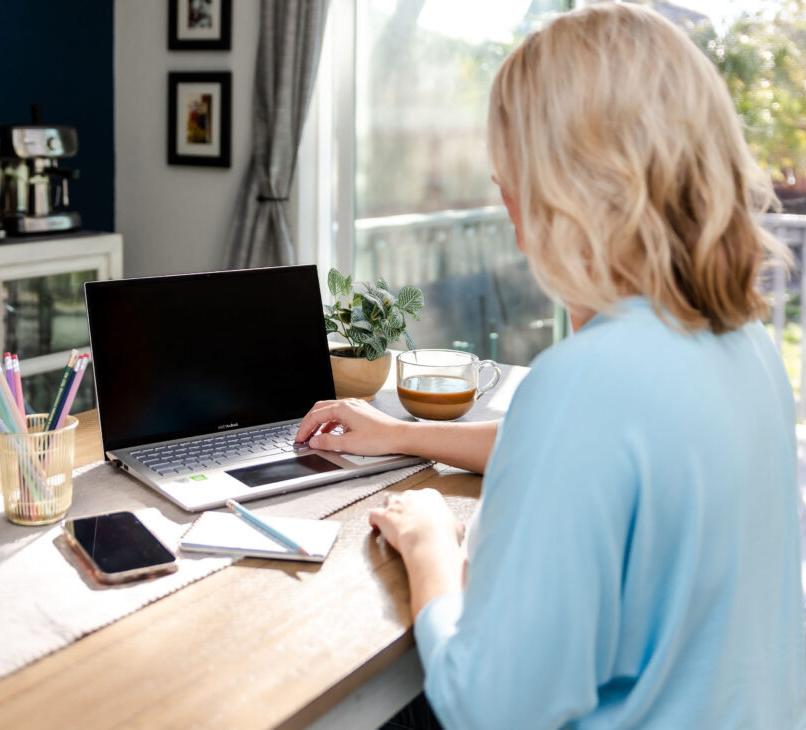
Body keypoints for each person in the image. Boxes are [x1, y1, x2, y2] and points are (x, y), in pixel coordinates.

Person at [295, 3, 806, 728]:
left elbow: (486, 707)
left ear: (564, 194)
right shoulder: (743, 342)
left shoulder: (589, 385)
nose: (508, 211)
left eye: (511, 183)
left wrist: (429, 544)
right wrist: (401, 434)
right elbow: (600, 450)